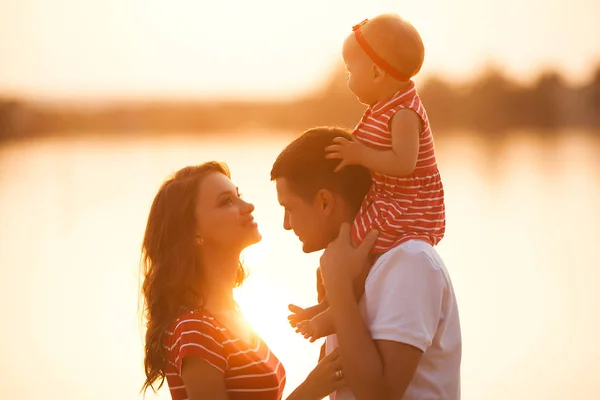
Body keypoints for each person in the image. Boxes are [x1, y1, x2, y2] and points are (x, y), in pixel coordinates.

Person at [271, 127, 461, 399]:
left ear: (324, 202)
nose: (286, 224)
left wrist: (339, 289)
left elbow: (378, 396)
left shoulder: (409, 263)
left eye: (289, 208)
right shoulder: (349, 269)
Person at [293, 12, 447, 344]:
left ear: (376, 72)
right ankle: (328, 304)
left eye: (351, 70)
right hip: (387, 198)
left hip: (406, 205)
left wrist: (360, 155)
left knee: (357, 248)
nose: (348, 79)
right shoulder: (385, 106)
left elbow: (405, 163)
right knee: (342, 251)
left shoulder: (404, 112)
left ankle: (336, 313)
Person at [139, 161, 346, 400]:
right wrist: (310, 390)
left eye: (239, 195)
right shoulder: (195, 329)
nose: (248, 206)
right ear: (193, 232)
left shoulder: (230, 313)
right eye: (226, 201)